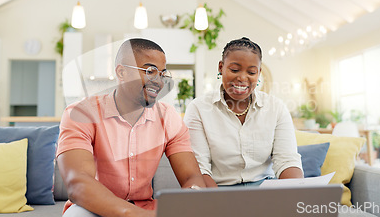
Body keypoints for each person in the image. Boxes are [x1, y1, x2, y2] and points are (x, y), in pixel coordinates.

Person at [57, 38, 206, 217]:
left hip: (146, 208)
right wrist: (133, 214)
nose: (159, 82)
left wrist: (192, 198)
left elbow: (192, 177)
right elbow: (78, 183)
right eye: (150, 71)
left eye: (163, 74)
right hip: (94, 207)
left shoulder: (168, 118)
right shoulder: (81, 114)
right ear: (122, 72)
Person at [184, 37, 303, 188]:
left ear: (259, 73)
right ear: (221, 67)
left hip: (265, 189)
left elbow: (287, 160)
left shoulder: (276, 107)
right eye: (234, 70)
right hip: (218, 190)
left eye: (251, 72)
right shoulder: (198, 108)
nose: (242, 78)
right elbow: (200, 169)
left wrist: (295, 194)